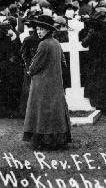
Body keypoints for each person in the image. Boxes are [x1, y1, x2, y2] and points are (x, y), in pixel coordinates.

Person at [23, 15, 71, 150]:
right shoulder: (56, 43)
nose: (39, 32)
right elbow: (64, 62)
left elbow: (35, 65)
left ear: (48, 30)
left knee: (42, 111)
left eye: (42, 29)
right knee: (54, 111)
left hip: (42, 83)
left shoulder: (43, 44)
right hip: (55, 82)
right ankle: (57, 140)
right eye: (37, 29)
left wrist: (29, 71)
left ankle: (44, 141)